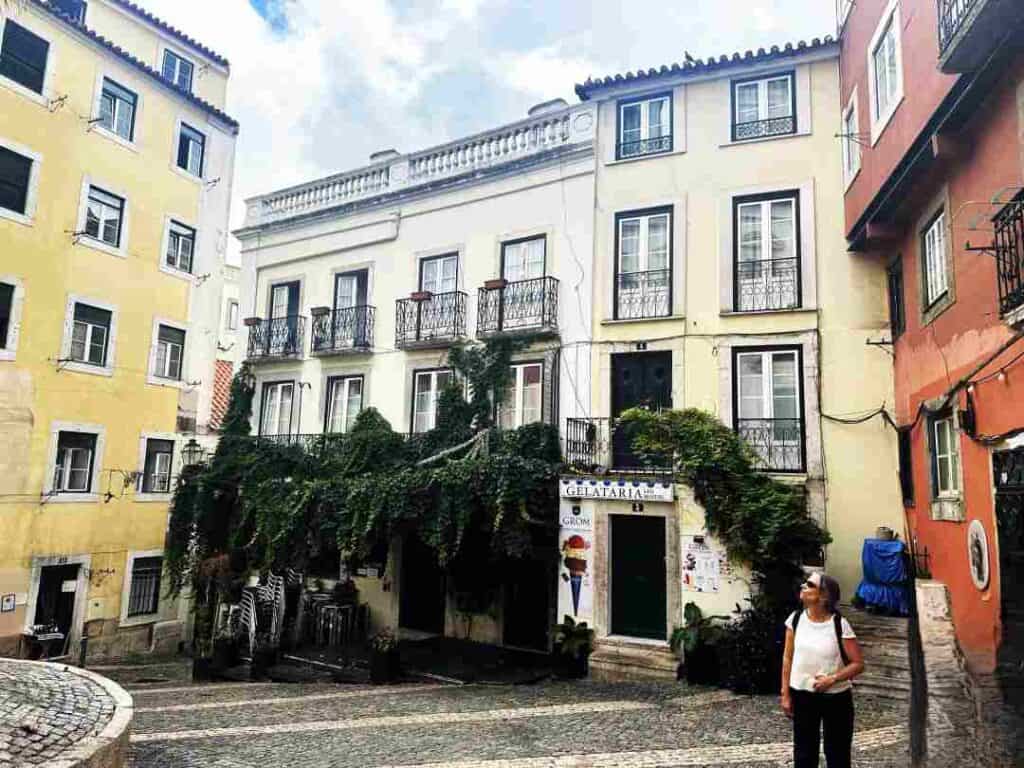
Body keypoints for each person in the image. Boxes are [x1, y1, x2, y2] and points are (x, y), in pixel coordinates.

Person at [781, 572, 865, 768]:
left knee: (837, 754)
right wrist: (785, 693)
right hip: (802, 696)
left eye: (810, 584)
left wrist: (832, 678)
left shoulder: (839, 624)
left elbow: (858, 664)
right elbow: (787, 658)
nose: (803, 586)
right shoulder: (795, 620)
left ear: (824, 595)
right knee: (803, 754)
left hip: (836, 698)